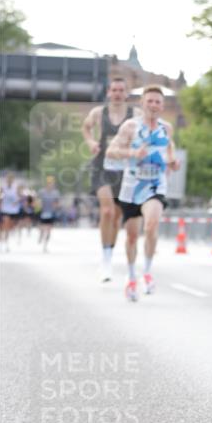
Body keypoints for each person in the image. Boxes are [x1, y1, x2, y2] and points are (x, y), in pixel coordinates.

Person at [105, 86, 179, 302]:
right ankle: (131, 277)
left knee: (151, 225)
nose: (153, 105)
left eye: (158, 102)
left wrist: (173, 162)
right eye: (150, 101)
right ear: (142, 103)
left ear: (162, 106)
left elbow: (169, 151)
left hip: (156, 185)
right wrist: (133, 153)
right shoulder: (130, 127)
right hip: (132, 187)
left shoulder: (167, 128)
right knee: (131, 236)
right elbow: (111, 151)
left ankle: (147, 271)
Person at [82, 77, 136, 281]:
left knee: (116, 217)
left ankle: (109, 254)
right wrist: (90, 142)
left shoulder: (135, 115)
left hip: (124, 170)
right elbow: (86, 128)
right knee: (107, 211)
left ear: (126, 93)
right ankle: (105, 260)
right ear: (108, 92)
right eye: (114, 90)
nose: (117, 94)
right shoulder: (98, 112)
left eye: (121, 90)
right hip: (101, 167)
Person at [37, 176, 61, 252]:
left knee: (49, 230)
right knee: (42, 228)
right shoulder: (41, 191)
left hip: (51, 213)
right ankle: (41, 235)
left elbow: (57, 202)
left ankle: (45, 245)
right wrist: (39, 204)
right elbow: (37, 201)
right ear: (46, 183)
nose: (50, 184)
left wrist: (56, 206)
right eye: (49, 183)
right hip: (42, 212)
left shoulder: (56, 192)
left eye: (52, 183)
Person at [0, 173, 23, 251]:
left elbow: (20, 197)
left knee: (10, 227)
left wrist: (16, 202)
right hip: (5, 209)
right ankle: (3, 242)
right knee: (5, 225)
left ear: (13, 180)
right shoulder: (3, 187)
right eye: (8, 179)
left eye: (11, 179)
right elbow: (0, 195)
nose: (9, 180)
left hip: (13, 210)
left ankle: (6, 241)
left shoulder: (16, 187)